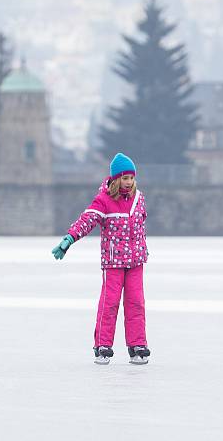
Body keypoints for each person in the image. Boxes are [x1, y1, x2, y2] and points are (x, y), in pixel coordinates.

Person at [51, 152, 151, 365]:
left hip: (136, 261)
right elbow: (87, 220)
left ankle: (137, 345)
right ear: (116, 179)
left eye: (132, 178)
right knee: (110, 302)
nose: (129, 182)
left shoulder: (139, 199)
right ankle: (103, 344)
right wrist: (69, 238)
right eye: (125, 178)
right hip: (113, 262)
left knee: (136, 303)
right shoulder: (104, 200)